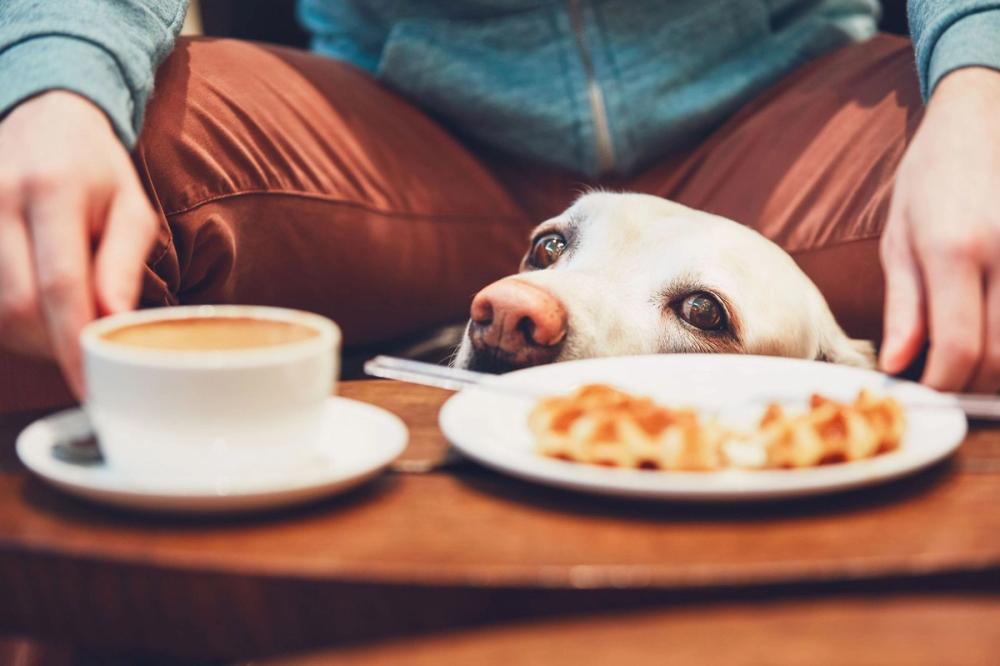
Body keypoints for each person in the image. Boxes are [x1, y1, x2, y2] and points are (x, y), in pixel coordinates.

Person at [0, 1, 997, 401]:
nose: (523, 300)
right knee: (67, 188)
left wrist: (983, 80)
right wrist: (53, 84)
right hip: (401, 137)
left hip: (784, 117)